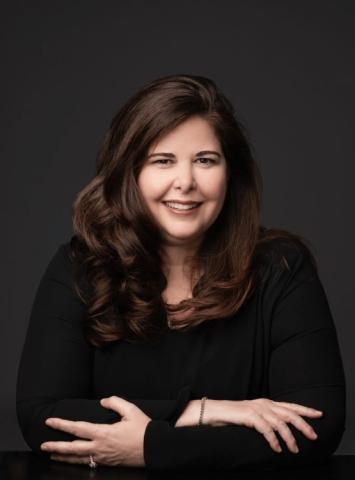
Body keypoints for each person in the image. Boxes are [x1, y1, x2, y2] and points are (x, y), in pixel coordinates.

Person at [16, 74, 346, 472]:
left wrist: (152, 446)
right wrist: (206, 411)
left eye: (205, 160)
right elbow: (43, 417)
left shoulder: (282, 268)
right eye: (162, 161)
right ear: (130, 173)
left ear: (231, 172)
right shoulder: (80, 266)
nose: (185, 182)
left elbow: (317, 426)